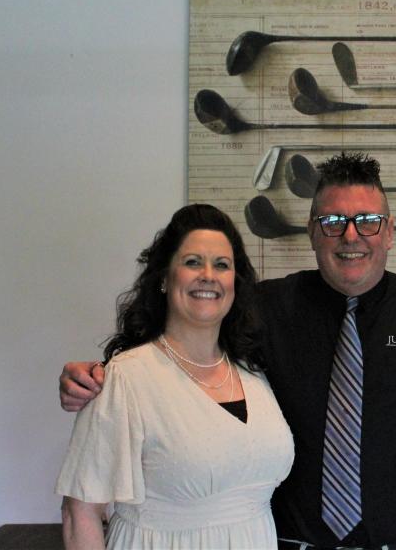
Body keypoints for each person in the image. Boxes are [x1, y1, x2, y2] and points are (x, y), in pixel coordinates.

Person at [61, 153, 396, 550]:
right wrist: (98, 375)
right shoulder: (264, 309)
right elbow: (181, 344)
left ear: (390, 231)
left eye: (368, 221)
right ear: (313, 231)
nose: (351, 235)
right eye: (334, 220)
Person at [56, 204, 293, 549]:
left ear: (235, 284)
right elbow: (80, 512)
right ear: (165, 279)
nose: (208, 275)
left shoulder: (253, 373)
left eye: (222, 265)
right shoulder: (126, 378)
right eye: (193, 262)